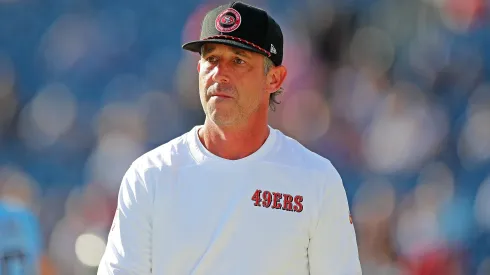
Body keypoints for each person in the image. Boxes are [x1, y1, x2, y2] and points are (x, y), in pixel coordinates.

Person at [97, 1, 362, 274]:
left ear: (274, 79)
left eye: (238, 60)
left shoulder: (317, 180)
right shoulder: (149, 175)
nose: (220, 74)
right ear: (198, 70)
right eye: (211, 59)